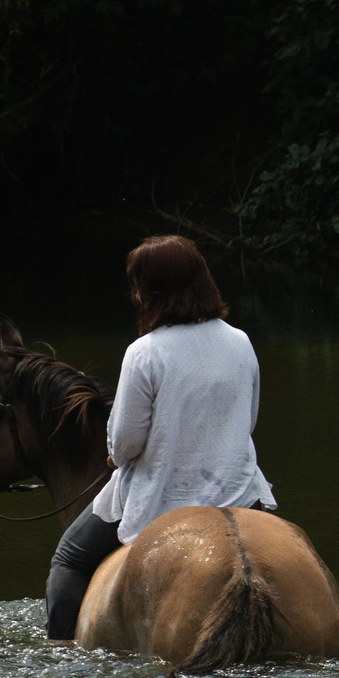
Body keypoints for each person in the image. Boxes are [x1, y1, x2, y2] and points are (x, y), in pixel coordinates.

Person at [44, 236, 277, 640]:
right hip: (239, 492)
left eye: (137, 285)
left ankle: (63, 659)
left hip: (165, 495)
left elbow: (127, 442)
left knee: (69, 561)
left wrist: (116, 455)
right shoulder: (240, 341)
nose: (134, 294)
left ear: (150, 291)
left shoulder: (144, 352)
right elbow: (248, 420)